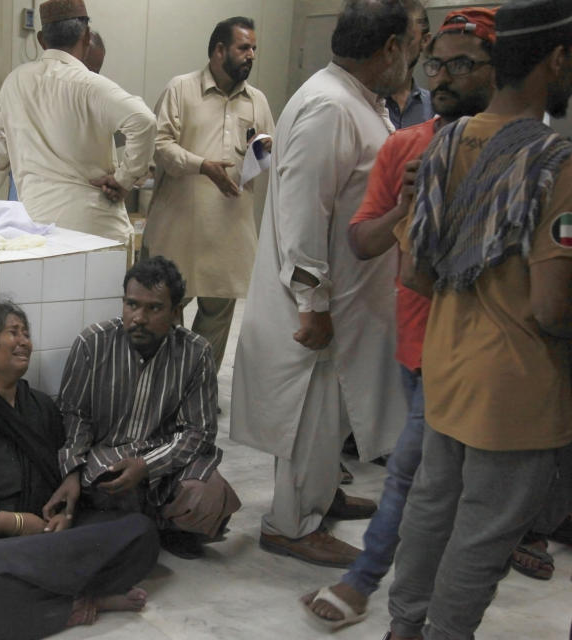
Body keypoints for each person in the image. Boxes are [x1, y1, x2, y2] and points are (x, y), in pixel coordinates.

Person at [301, 8, 498, 630]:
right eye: (435, 60)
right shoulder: (405, 145)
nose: (440, 75)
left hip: (495, 352)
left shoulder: (526, 156)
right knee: (413, 472)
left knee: (456, 487)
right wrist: (409, 207)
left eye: (462, 64)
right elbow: (361, 240)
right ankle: (371, 589)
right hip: (422, 347)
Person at [387, 1, 572, 637]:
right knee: (484, 535)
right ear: (556, 58)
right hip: (516, 390)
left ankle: (403, 626)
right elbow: (551, 306)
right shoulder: (557, 164)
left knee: (432, 508)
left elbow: (415, 276)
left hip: (447, 369)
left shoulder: (442, 147)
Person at [231, 0, 417, 569]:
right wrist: (312, 303)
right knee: (311, 416)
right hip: (317, 302)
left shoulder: (359, 101)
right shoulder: (328, 105)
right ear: (389, 48)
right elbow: (301, 215)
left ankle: (321, 496)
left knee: (333, 412)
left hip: (351, 297)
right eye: (414, 43)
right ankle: (290, 523)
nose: (417, 56)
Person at [0, 302, 160, 640]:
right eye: (13, 332)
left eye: (26, 334)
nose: (24, 341)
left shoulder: (42, 408)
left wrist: (64, 515)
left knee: (140, 532)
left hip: (46, 540)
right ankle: (77, 600)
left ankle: (42, 598)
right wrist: (14, 524)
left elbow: (63, 479)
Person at [52, 256, 240, 560]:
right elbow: (74, 418)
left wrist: (147, 465)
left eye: (154, 308)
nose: (139, 317)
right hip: (106, 457)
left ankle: (158, 526)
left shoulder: (196, 353)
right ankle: (150, 526)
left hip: (165, 459)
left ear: (176, 312)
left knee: (208, 495)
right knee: (105, 487)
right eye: (132, 304)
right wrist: (71, 472)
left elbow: (198, 432)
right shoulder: (93, 343)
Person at [142, 16, 275, 373]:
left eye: (254, 49)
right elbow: (160, 146)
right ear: (219, 51)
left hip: (228, 234)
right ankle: (163, 387)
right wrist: (202, 166)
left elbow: (266, 155)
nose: (251, 55)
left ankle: (198, 387)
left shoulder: (256, 101)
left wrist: (261, 153)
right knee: (164, 311)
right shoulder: (181, 89)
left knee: (215, 323)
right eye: (243, 47)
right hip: (178, 230)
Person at [0, 0, 156, 245]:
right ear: (86, 36)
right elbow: (144, 121)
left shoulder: (14, 83)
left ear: (41, 40)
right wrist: (124, 179)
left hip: (35, 231)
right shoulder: (89, 84)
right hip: (94, 231)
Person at [386, 3, 434, 129]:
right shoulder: (362, 103)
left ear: (425, 41)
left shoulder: (435, 108)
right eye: (387, 37)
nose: (393, 46)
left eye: (405, 38)